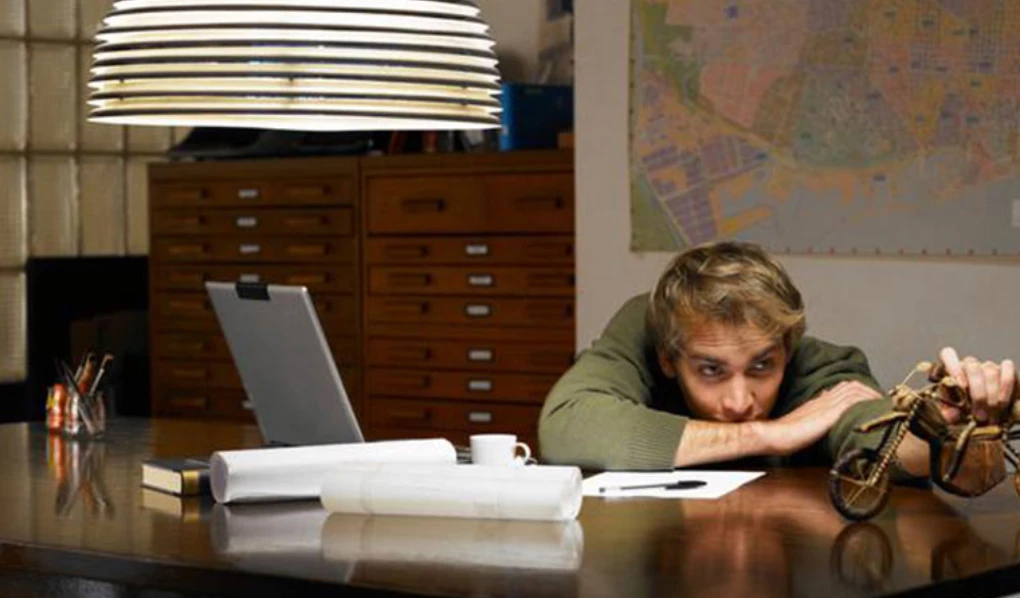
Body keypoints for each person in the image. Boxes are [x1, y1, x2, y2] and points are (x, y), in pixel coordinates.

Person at [538, 241, 1016, 475]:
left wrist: (944, 432)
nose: (740, 399)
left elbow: (875, 435)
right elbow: (567, 426)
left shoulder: (823, 368)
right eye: (710, 370)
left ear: (788, 348)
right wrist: (767, 434)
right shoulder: (645, 330)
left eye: (763, 366)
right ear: (668, 358)